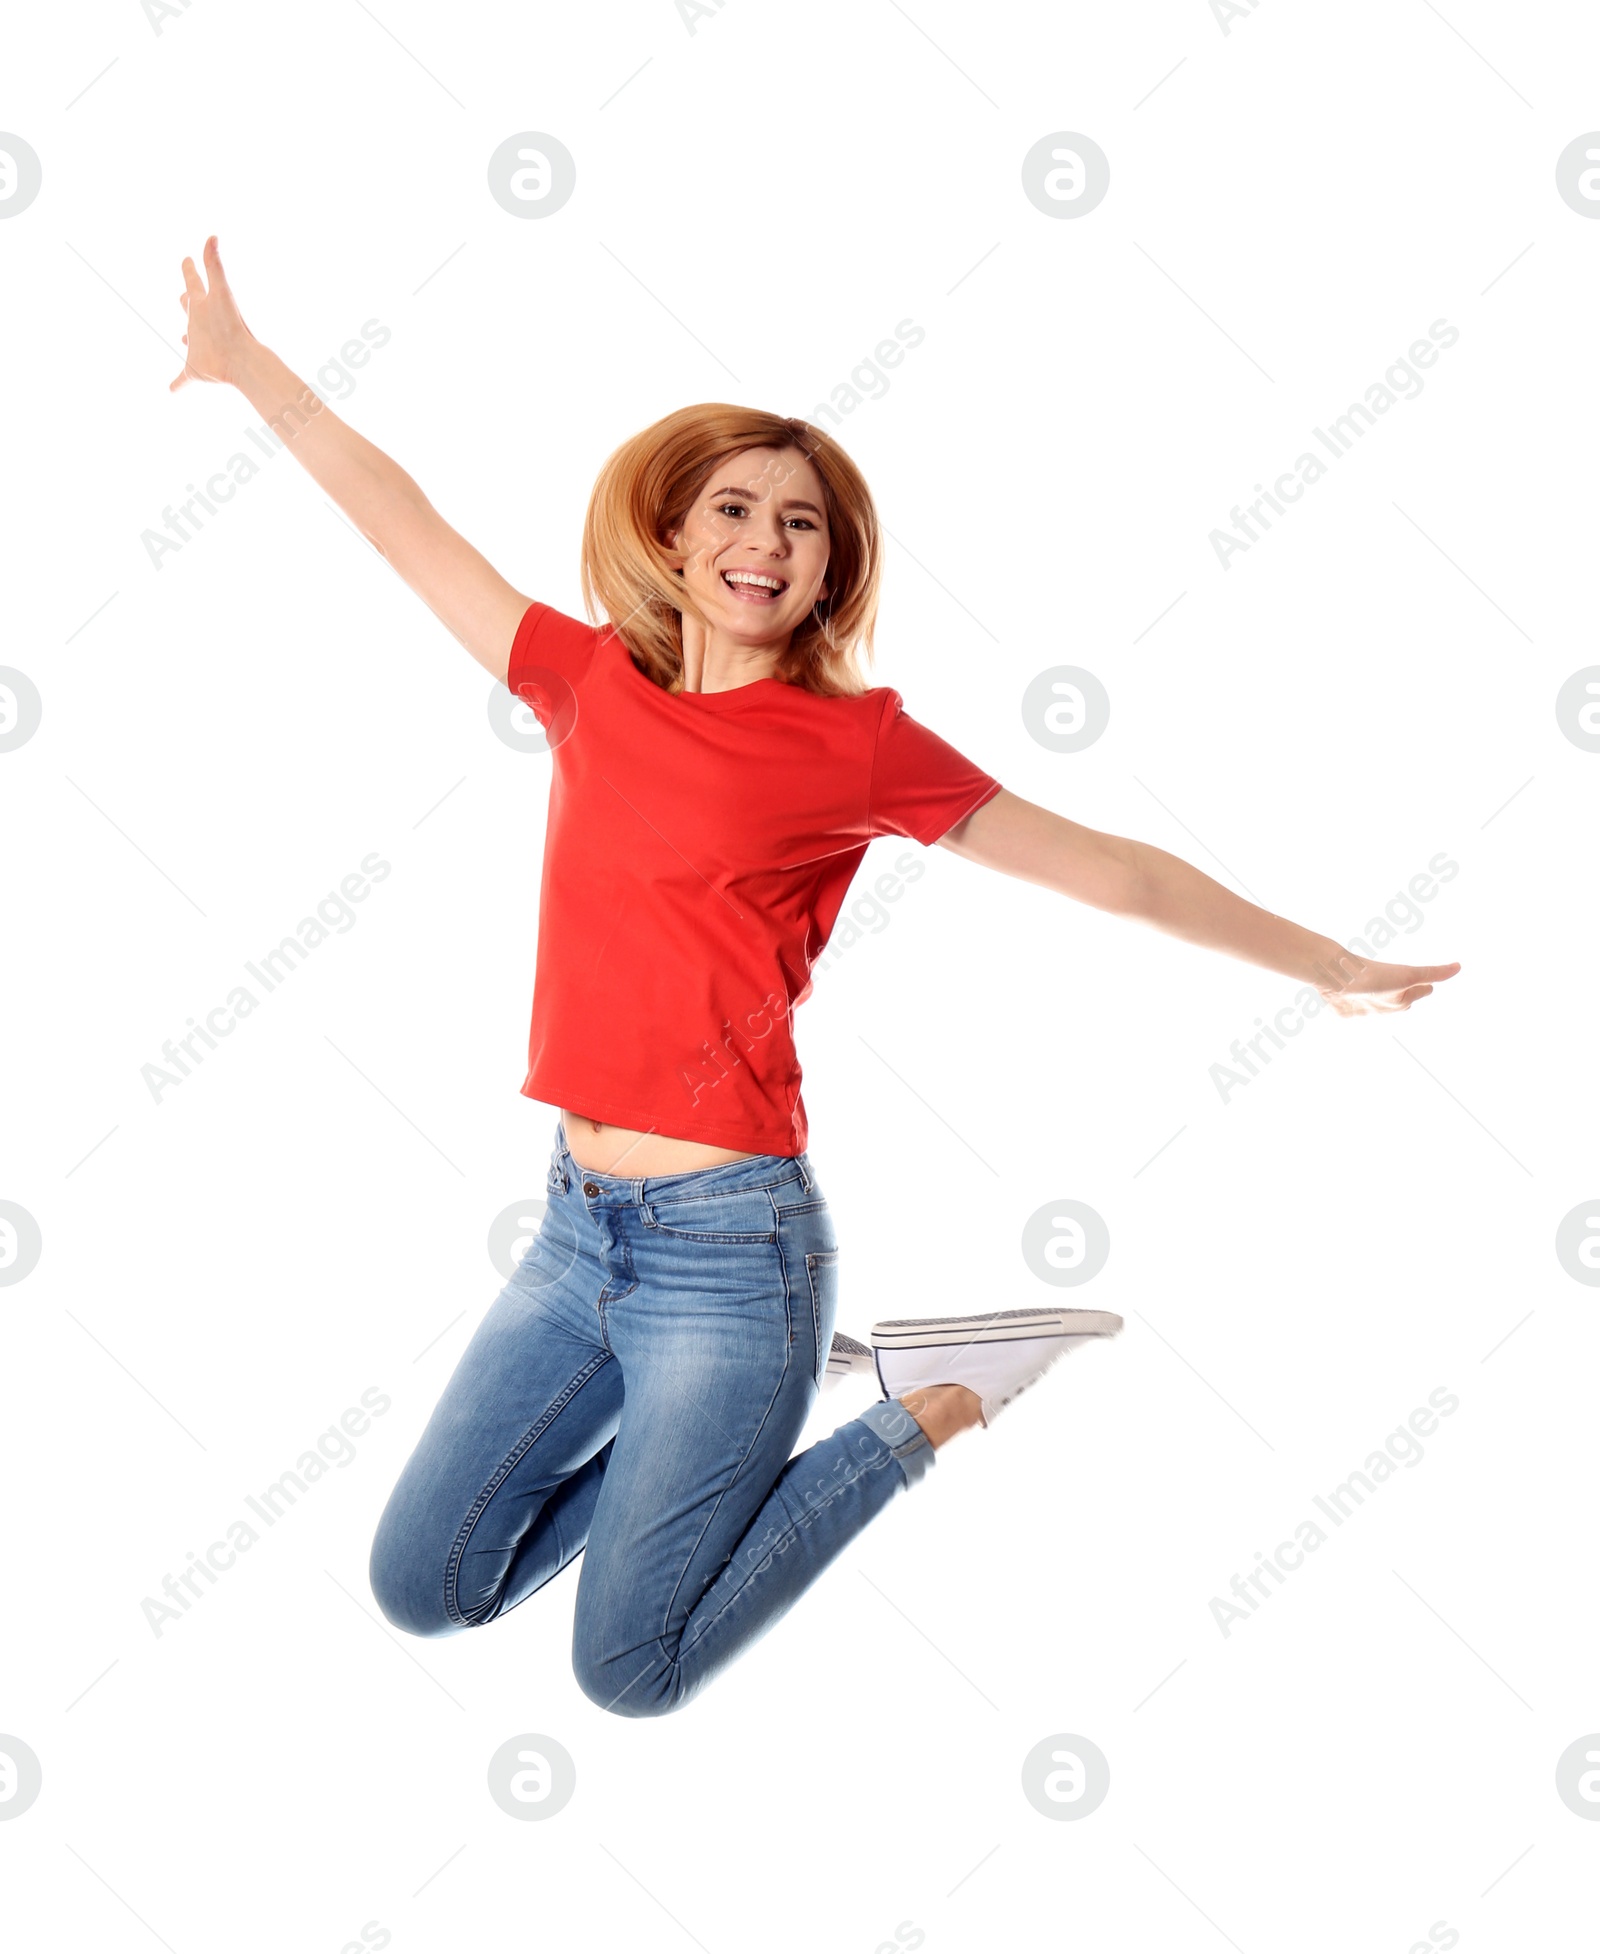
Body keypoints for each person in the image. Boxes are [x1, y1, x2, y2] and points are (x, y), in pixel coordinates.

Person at [168, 237, 1460, 1716]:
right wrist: (252, 367)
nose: (767, 540)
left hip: (734, 1250)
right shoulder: (587, 681)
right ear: (670, 538)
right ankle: (752, 1415)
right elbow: (403, 524)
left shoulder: (854, 746)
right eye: (734, 507)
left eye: (804, 522)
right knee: (426, 1585)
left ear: (830, 565)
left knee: (628, 1669)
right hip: (577, 1235)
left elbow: (1113, 868)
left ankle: (926, 1403)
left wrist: (1329, 963)